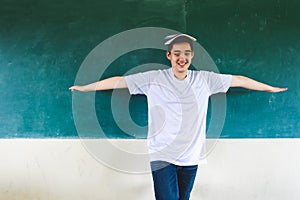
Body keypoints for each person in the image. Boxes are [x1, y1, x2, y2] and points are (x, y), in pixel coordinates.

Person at [69, 34, 287, 200]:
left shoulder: (205, 80)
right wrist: (85, 88)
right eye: (177, 54)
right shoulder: (153, 78)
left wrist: (270, 89)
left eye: (186, 54)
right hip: (162, 155)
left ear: (192, 56)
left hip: (191, 156)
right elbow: (119, 81)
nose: (182, 58)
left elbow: (240, 80)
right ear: (169, 56)